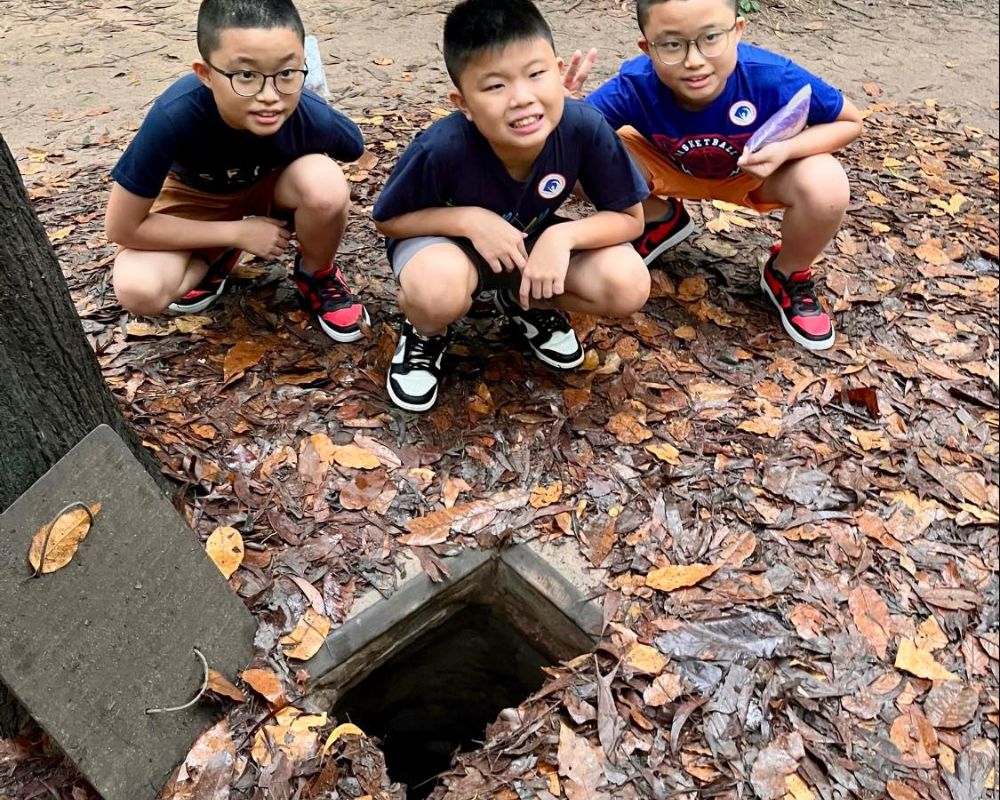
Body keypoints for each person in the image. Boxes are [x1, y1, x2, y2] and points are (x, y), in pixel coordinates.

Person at [372, 0, 651, 412]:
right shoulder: (442, 147)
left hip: (524, 240)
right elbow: (388, 220)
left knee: (627, 282)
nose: (521, 98)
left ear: (558, 73)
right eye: (494, 86)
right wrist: (468, 220)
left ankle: (524, 300)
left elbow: (630, 219)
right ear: (462, 102)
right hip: (444, 247)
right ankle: (425, 331)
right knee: (437, 292)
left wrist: (563, 234)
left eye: (536, 74)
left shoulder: (582, 127)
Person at [585, 0, 863, 351]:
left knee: (827, 184)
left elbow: (850, 121)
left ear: (738, 32)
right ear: (647, 48)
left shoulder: (771, 75)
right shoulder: (635, 82)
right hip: (667, 168)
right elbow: (575, 134)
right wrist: (557, 106)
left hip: (755, 173)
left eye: (711, 37)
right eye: (672, 44)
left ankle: (787, 272)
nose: (694, 60)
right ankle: (657, 219)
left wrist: (787, 151)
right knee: (585, 152)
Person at [105, 0, 369, 343]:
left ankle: (316, 273)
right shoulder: (174, 117)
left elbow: (353, 146)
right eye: (246, 75)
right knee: (139, 290)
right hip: (196, 198)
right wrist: (236, 235)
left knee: (325, 182)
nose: (270, 96)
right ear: (205, 74)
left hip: (270, 189)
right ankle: (217, 256)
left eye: (286, 73)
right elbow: (122, 227)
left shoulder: (308, 114)